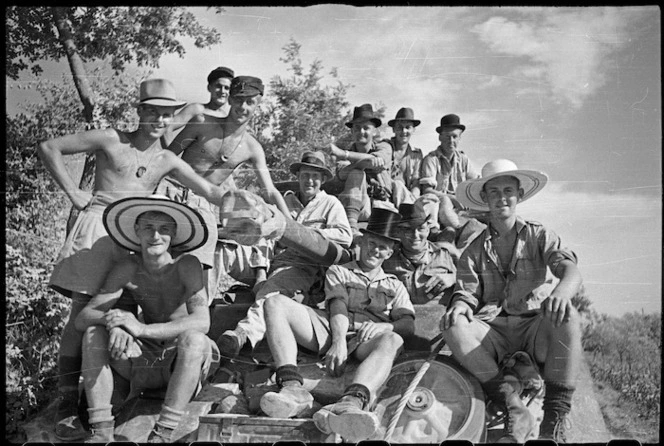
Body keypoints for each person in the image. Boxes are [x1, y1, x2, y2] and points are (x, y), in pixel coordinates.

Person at [37, 78, 233, 441]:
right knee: (82, 310)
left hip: (140, 230)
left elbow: (211, 191)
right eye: (152, 112)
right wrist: (74, 192)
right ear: (140, 111)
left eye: (166, 114)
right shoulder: (111, 138)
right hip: (99, 226)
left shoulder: (167, 158)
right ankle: (66, 403)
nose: (159, 120)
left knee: (125, 302)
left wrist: (250, 206)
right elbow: (49, 147)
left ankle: (118, 397)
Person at [439, 159, 583, 443]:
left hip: (534, 329)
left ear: (518, 196)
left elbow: (570, 270)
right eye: (494, 192)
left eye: (508, 191)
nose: (502, 198)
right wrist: (459, 306)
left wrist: (561, 292)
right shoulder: (473, 249)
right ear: (484, 198)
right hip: (494, 332)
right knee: (452, 325)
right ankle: (510, 405)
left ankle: (554, 420)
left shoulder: (539, 234)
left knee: (568, 315)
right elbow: (467, 293)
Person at [259, 207, 415, 442]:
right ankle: (291, 386)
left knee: (394, 339)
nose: (376, 250)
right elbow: (338, 306)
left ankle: (352, 401)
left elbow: (408, 323)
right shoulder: (340, 271)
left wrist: (386, 327)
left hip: (365, 340)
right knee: (275, 303)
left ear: (390, 252)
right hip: (331, 331)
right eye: (373, 243)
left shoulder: (396, 285)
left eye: (383, 247)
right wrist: (339, 343)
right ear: (362, 241)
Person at [75, 195, 220, 443]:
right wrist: (117, 322)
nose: (155, 236)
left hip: (183, 359)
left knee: (194, 340)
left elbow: (201, 322)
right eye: (148, 228)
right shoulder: (128, 267)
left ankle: (163, 432)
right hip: (146, 361)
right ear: (137, 231)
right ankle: (101, 431)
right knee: (93, 333)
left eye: (164, 229)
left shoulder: (187, 264)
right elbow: (84, 317)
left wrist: (141, 329)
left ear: (174, 235)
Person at [166, 75, 291, 300]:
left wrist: (289, 223)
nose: (243, 107)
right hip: (173, 194)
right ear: (230, 99)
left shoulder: (252, 147)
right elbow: (167, 158)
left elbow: (270, 191)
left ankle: (197, 316)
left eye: (250, 102)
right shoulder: (202, 124)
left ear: (258, 105)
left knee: (200, 266)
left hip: (202, 206)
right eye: (238, 99)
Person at [217, 151, 352, 358]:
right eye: (306, 175)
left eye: (315, 176)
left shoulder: (330, 204)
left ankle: (243, 335)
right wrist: (260, 273)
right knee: (222, 249)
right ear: (298, 176)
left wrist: (303, 234)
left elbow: (345, 236)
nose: (310, 181)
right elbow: (264, 237)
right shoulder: (286, 202)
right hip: (269, 260)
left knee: (275, 287)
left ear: (323, 179)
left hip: (304, 264)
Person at [327, 103, 395, 236]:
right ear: (352, 131)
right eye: (357, 128)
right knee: (356, 173)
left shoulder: (384, 147)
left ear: (374, 131)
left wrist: (344, 154)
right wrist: (362, 163)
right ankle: (352, 227)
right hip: (353, 206)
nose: (361, 132)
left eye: (366, 128)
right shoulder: (344, 154)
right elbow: (342, 173)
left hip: (379, 206)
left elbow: (376, 161)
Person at [382, 198, 457, 305]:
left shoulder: (444, 254)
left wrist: (453, 278)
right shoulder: (387, 259)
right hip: (402, 317)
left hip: (439, 316)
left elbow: (472, 281)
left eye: (421, 228)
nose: (415, 235)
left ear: (428, 230)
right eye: (408, 230)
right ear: (398, 232)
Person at [386, 107, 423, 199]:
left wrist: (414, 196)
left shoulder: (416, 155)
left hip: (406, 196)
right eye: (399, 127)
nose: (404, 131)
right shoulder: (386, 148)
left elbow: (416, 181)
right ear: (393, 129)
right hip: (386, 193)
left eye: (408, 127)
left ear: (413, 130)